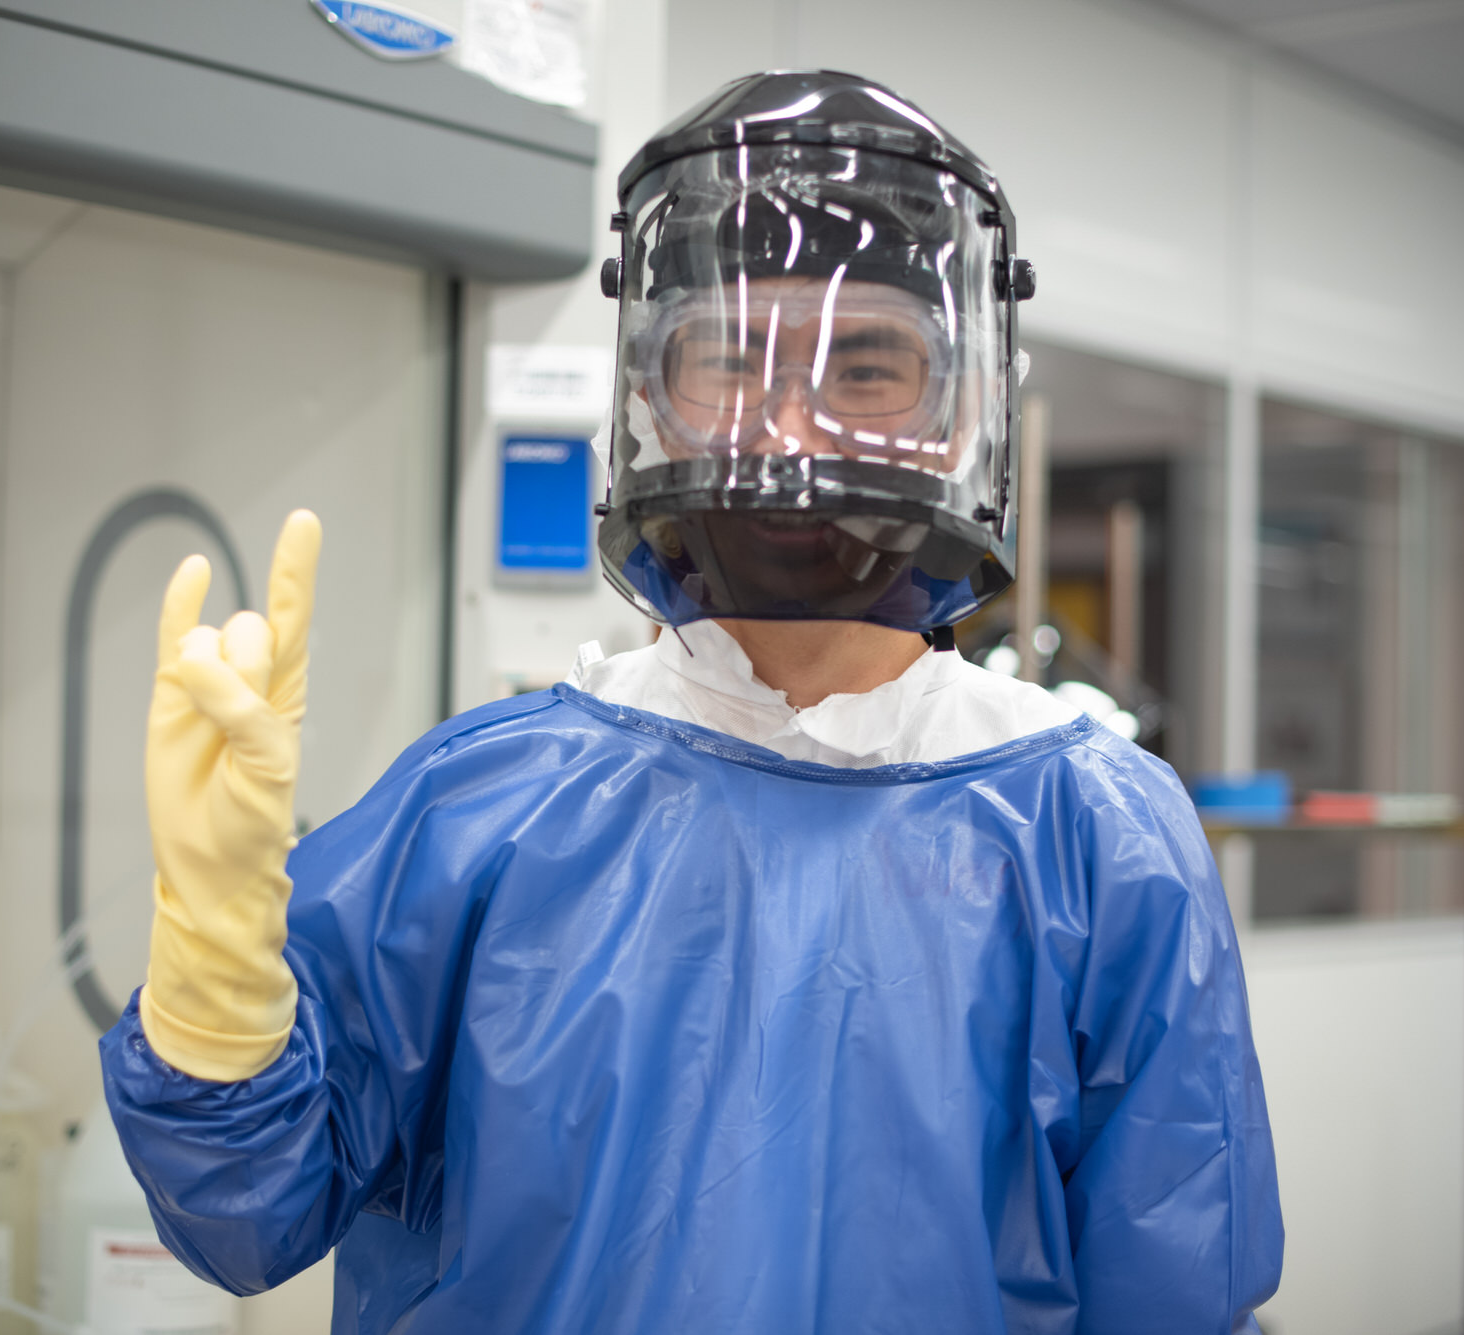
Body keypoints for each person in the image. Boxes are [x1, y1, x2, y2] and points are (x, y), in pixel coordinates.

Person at [102, 70, 1283, 1334]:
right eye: (729, 359)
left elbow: (1175, 1290)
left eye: (868, 366)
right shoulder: (475, 809)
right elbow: (246, 1216)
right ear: (647, 397)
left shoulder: (1099, 839)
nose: (789, 422)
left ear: (963, 414)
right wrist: (213, 975)